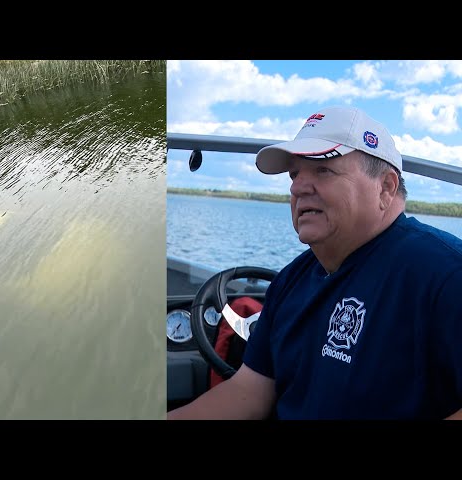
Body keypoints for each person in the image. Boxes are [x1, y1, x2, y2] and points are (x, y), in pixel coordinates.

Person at [168, 105, 462, 420]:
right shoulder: (292, 280)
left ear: (386, 187)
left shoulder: (444, 275)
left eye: (323, 170)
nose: (297, 187)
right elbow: (248, 393)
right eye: (295, 174)